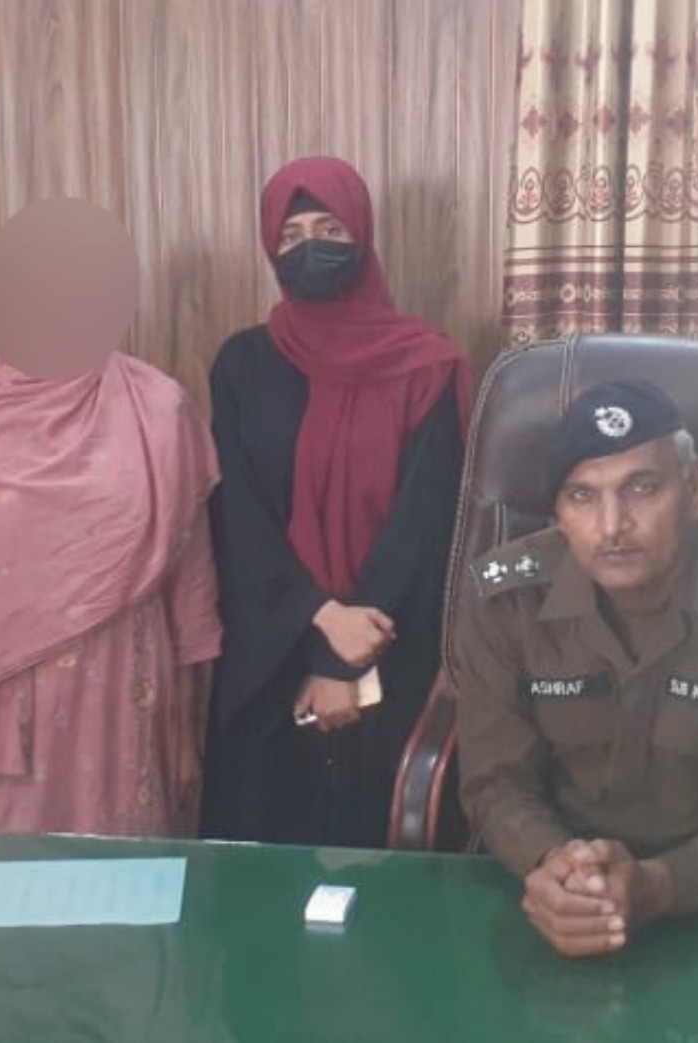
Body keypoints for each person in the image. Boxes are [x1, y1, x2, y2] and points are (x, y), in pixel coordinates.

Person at [450, 380, 698, 959]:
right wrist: (558, 866)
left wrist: (657, 886)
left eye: (642, 488)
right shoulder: (505, 599)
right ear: (558, 511)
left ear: (694, 489)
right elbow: (496, 781)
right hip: (554, 898)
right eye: (582, 496)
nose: (612, 525)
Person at [0, 198, 221, 872]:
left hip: (123, 695)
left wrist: (185, 721)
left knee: (119, 885)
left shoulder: (157, 408)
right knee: (6, 889)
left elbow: (190, 575)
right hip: (1, 714)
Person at [200, 155, 469, 849]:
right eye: (290, 236)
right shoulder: (243, 364)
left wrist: (344, 661)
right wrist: (318, 620)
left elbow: (426, 522)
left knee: (380, 862)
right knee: (263, 859)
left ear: (362, 235)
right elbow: (239, 515)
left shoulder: (428, 366)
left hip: (394, 645)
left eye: (329, 229)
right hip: (272, 651)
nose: (309, 247)